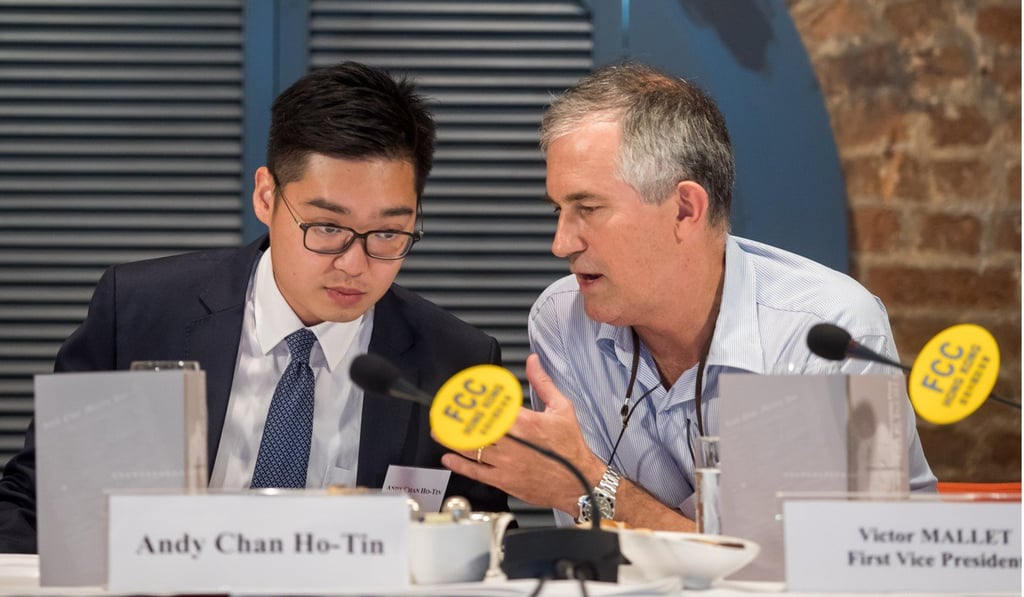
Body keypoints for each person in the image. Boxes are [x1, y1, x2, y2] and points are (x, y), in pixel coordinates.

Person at [0, 61, 507, 553]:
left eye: (389, 233)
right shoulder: (140, 313)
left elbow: (471, 544)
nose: (355, 264)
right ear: (267, 197)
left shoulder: (454, 362)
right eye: (327, 227)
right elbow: (39, 500)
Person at [442, 62, 935, 530]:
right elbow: (604, 552)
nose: (561, 243)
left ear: (684, 209)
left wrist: (589, 487)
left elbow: (805, 575)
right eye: (558, 210)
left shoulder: (823, 331)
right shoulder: (563, 320)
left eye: (588, 208)